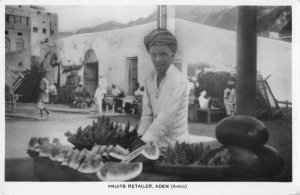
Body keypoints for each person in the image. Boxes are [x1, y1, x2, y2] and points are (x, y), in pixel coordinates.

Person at [130, 29, 191, 150]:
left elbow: (165, 117)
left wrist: (144, 142)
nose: (157, 59)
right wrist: (141, 136)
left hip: (176, 147)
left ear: (172, 55)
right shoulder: (149, 79)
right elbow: (147, 113)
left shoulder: (178, 81)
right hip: (155, 145)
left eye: (163, 54)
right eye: (154, 55)